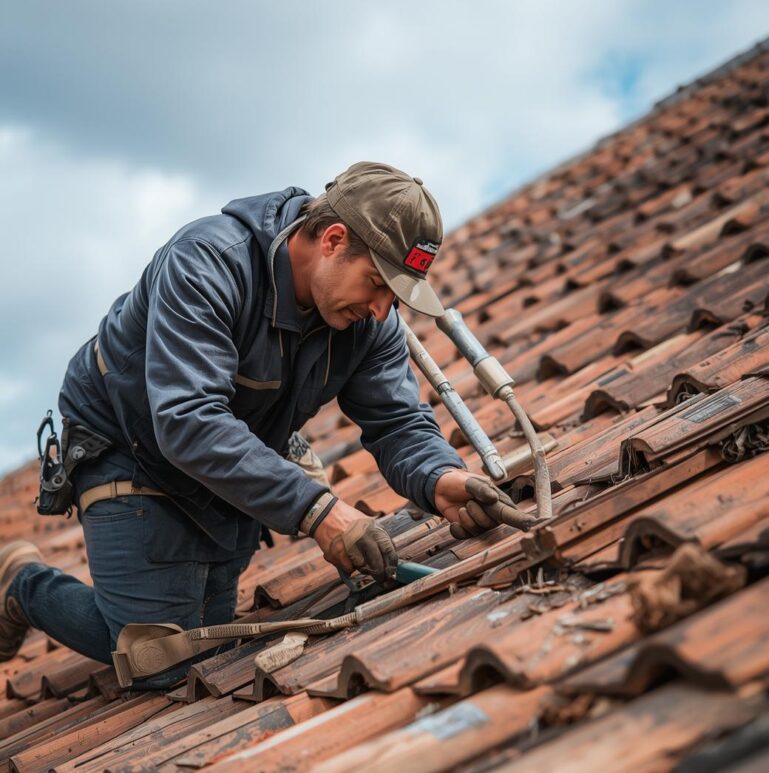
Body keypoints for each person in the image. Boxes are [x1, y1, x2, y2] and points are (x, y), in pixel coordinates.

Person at [0, 161, 532, 687]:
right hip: (129, 445)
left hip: (231, 450)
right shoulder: (208, 262)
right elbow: (187, 419)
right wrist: (317, 510)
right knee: (158, 660)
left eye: (394, 295)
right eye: (376, 282)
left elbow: (397, 420)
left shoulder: (371, 321)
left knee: (214, 641)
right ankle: (21, 586)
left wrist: (440, 477)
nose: (379, 309)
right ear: (332, 239)